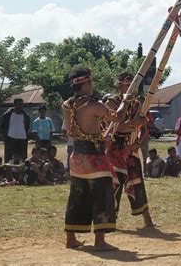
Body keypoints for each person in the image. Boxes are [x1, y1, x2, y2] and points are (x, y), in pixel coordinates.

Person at [63, 67, 132, 251]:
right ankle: (100, 241)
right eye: (91, 82)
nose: (92, 85)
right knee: (102, 194)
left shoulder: (66, 105)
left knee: (77, 195)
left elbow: (67, 131)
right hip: (94, 157)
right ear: (85, 84)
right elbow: (117, 117)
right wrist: (124, 101)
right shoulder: (94, 105)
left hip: (76, 156)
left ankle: (71, 238)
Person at [105, 72, 155, 227]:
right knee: (115, 183)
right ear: (119, 85)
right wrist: (133, 123)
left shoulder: (138, 103)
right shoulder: (111, 103)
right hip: (114, 148)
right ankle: (109, 220)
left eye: (131, 84)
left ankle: (147, 220)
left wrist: (136, 143)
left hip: (131, 147)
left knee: (137, 182)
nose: (129, 88)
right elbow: (115, 126)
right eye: (126, 84)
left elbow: (145, 128)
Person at [0, 98, 30, 162]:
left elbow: (27, 127)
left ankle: (22, 170)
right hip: (10, 138)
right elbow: (2, 126)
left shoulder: (26, 115)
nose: (20, 106)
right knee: (9, 156)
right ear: (14, 104)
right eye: (19, 104)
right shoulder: (7, 115)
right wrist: (4, 136)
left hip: (23, 139)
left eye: (22, 104)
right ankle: (9, 170)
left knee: (22, 156)